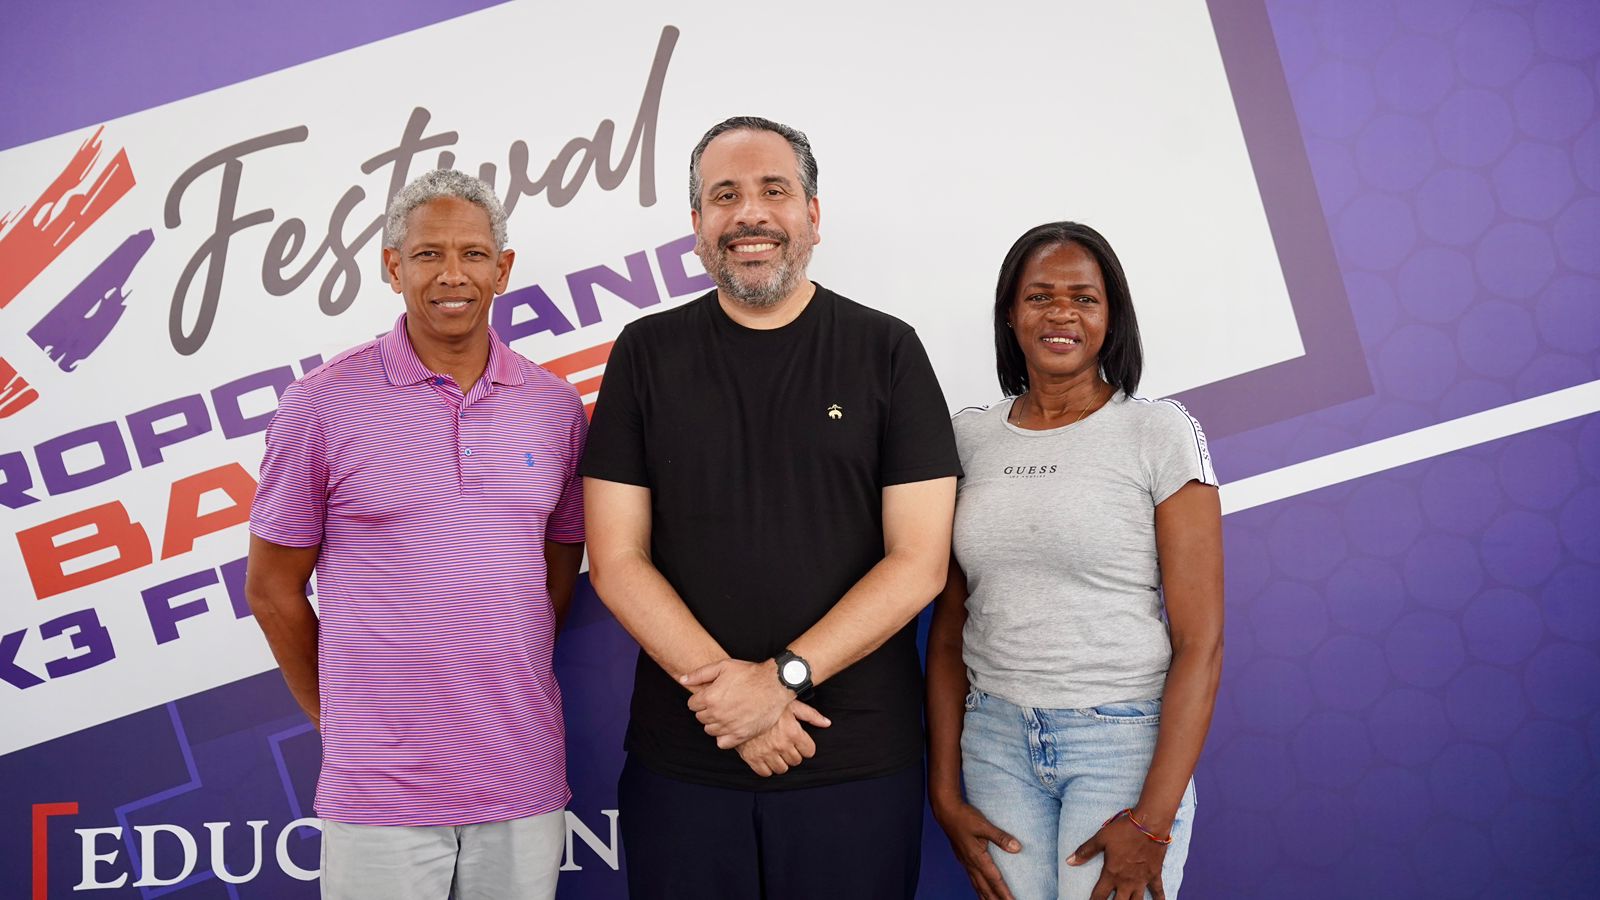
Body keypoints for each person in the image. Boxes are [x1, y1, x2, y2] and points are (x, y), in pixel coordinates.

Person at [580, 116, 961, 900]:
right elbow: (616, 558)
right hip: (684, 764)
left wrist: (782, 679)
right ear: (696, 227)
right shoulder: (645, 354)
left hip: (851, 765)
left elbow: (918, 562)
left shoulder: (888, 351)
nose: (749, 214)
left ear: (813, 215)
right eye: (725, 196)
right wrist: (734, 698)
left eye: (773, 191)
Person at [245, 169, 587, 900]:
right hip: (380, 791)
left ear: (503, 267)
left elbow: (558, 570)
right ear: (392, 266)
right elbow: (272, 590)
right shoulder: (322, 404)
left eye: (472, 253)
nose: (452, 274)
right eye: (429, 254)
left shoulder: (556, 408)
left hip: (520, 776)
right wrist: (340, 721)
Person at [926, 221, 1223, 900]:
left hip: (1121, 745)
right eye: (1040, 296)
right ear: (1011, 312)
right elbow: (947, 632)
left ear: (1111, 316)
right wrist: (944, 791)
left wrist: (1152, 824)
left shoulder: (1158, 432)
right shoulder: (968, 437)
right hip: (995, 740)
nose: (1061, 313)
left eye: (1084, 298)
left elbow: (1200, 641)